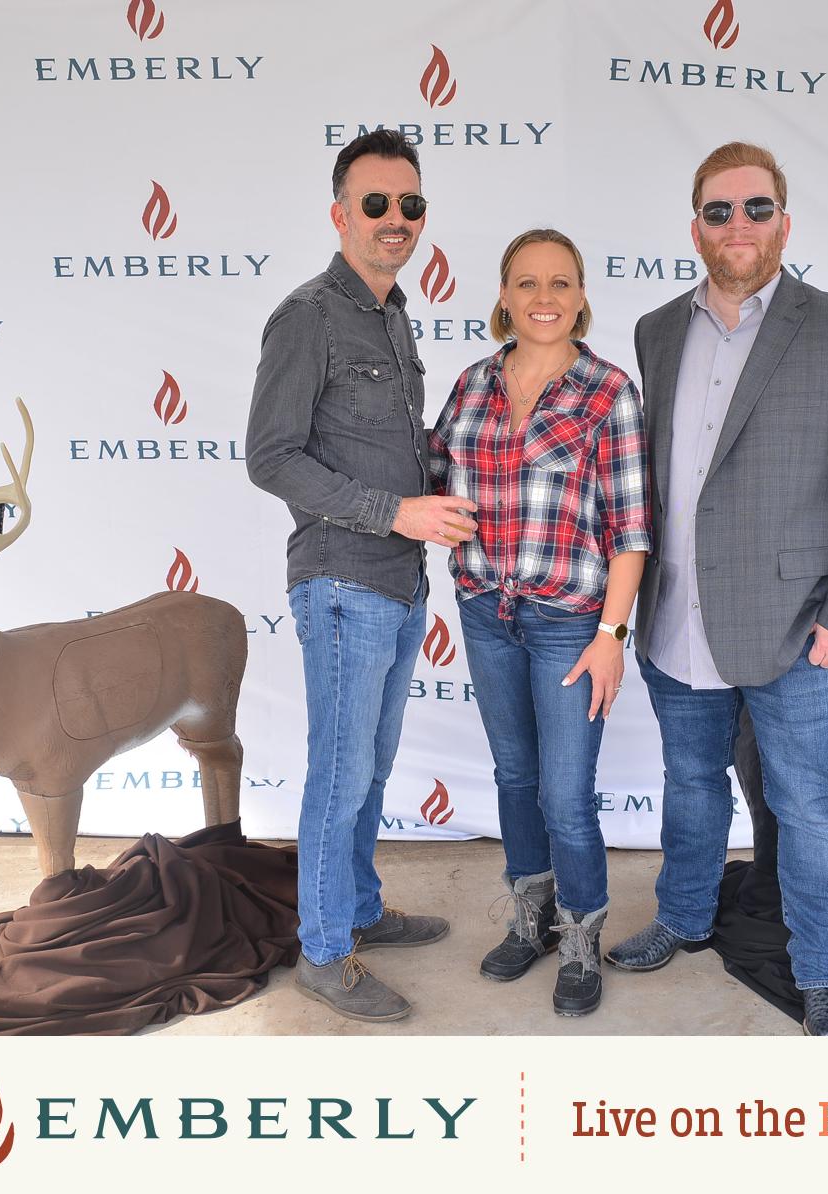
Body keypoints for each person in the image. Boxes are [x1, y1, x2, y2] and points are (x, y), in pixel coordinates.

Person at [606, 142, 828, 1037]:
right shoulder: (658, 330)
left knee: (808, 802)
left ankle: (818, 972)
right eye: (719, 211)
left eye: (756, 208)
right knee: (690, 780)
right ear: (695, 225)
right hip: (674, 616)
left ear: (785, 219)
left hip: (796, 622)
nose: (738, 225)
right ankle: (685, 915)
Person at [245, 129, 480, 1023]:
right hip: (343, 581)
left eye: (410, 205)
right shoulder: (308, 314)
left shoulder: (393, 313)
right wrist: (396, 513)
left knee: (373, 769)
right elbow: (271, 457)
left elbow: (387, 446)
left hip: (398, 582)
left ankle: (357, 908)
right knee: (340, 773)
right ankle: (325, 951)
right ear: (340, 213)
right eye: (376, 203)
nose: (395, 219)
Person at [426, 229, 650, 1017]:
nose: (544, 298)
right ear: (503, 297)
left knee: (565, 793)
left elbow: (631, 530)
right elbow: (428, 479)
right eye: (527, 283)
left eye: (560, 283)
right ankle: (533, 920)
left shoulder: (608, 391)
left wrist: (611, 638)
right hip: (487, 612)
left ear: (583, 297)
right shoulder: (472, 385)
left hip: (568, 623)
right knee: (515, 778)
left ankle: (582, 933)